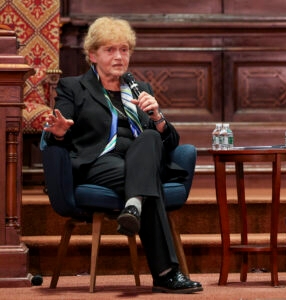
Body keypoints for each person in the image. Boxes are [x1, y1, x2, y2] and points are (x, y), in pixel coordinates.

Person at [42, 16, 203, 294]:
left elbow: (170, 142)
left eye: (124, 49)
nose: (119, 56)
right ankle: (167, 274)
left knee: (151, 135)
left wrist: (158, 117)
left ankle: (133, 206)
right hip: (99, 162)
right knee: (148, 182)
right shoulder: (74, 88)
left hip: (142, 159)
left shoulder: (141, 89)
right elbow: (60, 126)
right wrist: (57, 131)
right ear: (93, 54)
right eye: (110, 50)